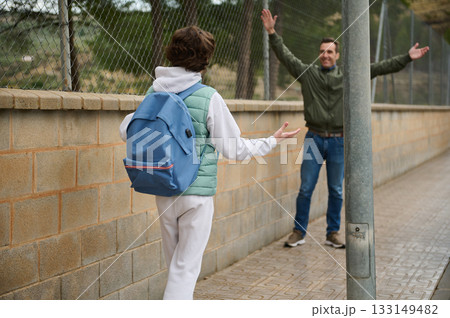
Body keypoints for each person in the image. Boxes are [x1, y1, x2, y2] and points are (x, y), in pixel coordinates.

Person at [119, 26, 301, 300]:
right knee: (184, 271)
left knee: (176, 269)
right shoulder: (209, 97)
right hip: (196, 195)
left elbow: (126, 130)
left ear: (173, 53)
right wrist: (272, 140)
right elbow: (235, 149)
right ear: (205, 59)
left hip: (163, 189)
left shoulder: (153, 92)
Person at [260, 9, 429, 249]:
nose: (325, 55)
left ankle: (332, 233)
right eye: (322, 52)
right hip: (314, 139)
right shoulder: (308, 75)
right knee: (306, 188)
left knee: (336, 190)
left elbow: (380, 67)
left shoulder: (349, 75)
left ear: (337, 55)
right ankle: (299, 231)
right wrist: (271, 32)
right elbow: (285, 56)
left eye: (329, 51)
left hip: (339, 141)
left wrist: (407, 58)